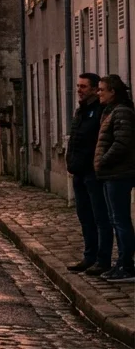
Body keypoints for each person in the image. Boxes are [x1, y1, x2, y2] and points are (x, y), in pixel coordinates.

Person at [67, 73, 112, 275]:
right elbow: (74, 139)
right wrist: (70, 161)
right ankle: (89, 256)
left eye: (84, 86)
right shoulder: (81, 111)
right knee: (85, 217)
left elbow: (102, 141)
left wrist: (97, 165)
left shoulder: (101, 111)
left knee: (100, 218)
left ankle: (103, 260)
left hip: (93, 173)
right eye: (78, 86)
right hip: (78, 171)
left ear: (94, 89)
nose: (79, 90)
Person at [94, 74, 135, 282]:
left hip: (119, 173)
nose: (98, 93)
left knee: (120, 220)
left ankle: (126, 265)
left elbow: (122, 143)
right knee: (115, 219)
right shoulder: (111, 111)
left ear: (113, 91)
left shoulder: (121, 112)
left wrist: (103, 161)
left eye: (102, 89)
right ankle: (121, 263)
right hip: (111, 174)